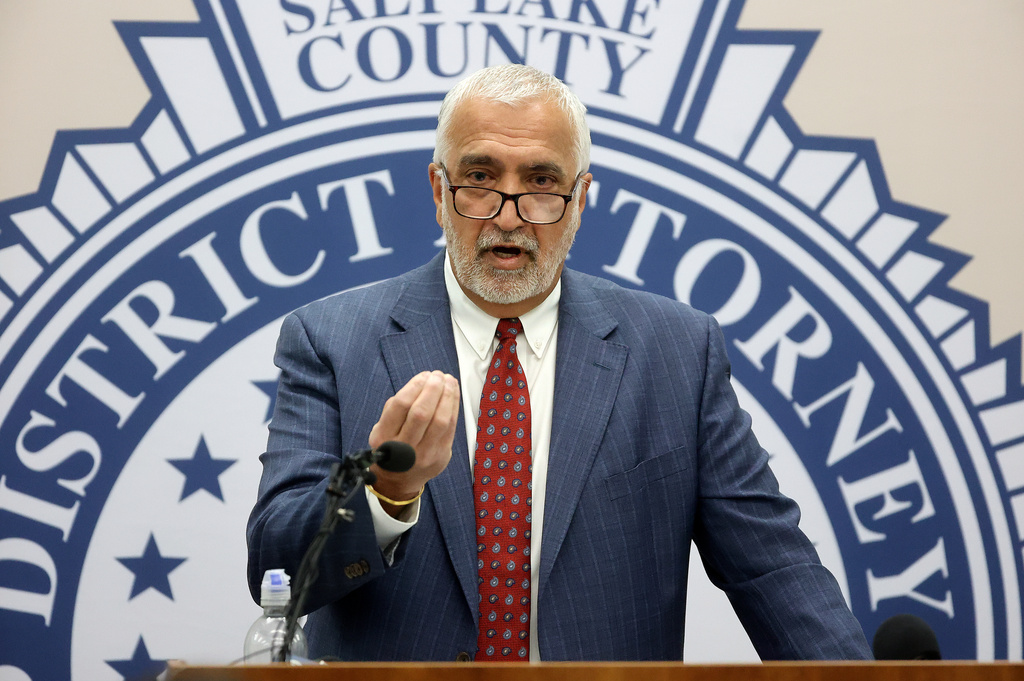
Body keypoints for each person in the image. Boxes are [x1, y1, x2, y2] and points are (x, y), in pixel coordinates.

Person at [246, 63, 872, 662]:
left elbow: (774, 568)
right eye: (481, 179)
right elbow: (275, 567)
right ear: (440, 190)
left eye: (542, 183)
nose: (508, 215)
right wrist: (387, 492)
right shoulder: (330, 339)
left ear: (580, 198)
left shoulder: (677, 351)